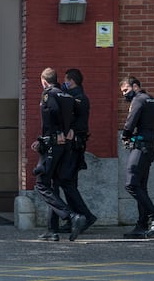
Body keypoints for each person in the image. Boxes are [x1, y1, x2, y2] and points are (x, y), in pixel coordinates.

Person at [32, 67, 86, 242]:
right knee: (53, 185)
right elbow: (74, 115)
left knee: (41, 183)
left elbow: (51, 113)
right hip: (64, 145)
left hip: (52, 145)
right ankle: (52, 229)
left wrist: (52, 135)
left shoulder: (49, 94)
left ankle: (71, 216)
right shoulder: (68, 96)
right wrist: (67, 130)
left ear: (44, 81)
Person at [119, 76, 154, 238]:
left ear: (135, 86)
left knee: (131, 184)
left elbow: (130, 122)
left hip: (140, 146)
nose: (124, 94)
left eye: (126, 90)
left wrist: (126, 135)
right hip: (150, 146)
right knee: (141, 186)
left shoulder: (138, 100)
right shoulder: (151, 100)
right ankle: (141, 225)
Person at [57, 68, 97, 233]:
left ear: (71, 81)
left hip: (74, 145)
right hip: (75, 144)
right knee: (69, 182)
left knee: (66, 181)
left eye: (66, 81)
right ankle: (76, 219)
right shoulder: (78, 97)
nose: (65, 84)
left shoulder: (78, 98)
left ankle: (85, 216)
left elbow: (75, 120)